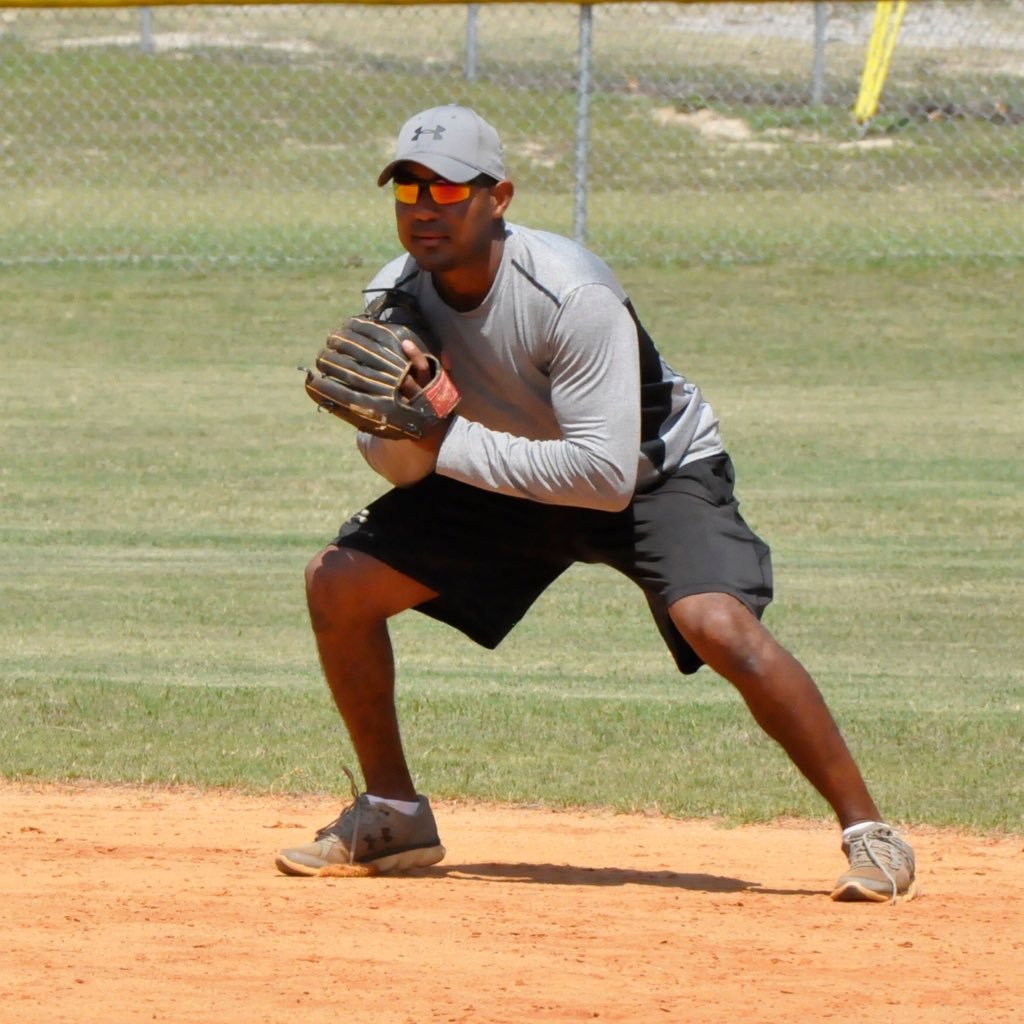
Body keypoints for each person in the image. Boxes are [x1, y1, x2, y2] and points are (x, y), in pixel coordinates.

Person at [276, 104, 917, 903]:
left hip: (651, 474)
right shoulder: (397, 298)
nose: (425, 208)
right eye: (407, 192)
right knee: (338, 580)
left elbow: (602, 476)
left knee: (717, 624)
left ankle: (870, 833)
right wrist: (403, 431)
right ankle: (395, 813)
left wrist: (441, 439)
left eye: (446, 189)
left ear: (498, 196)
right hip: (508, 476)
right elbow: (405, 466)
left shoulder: (570, 294)